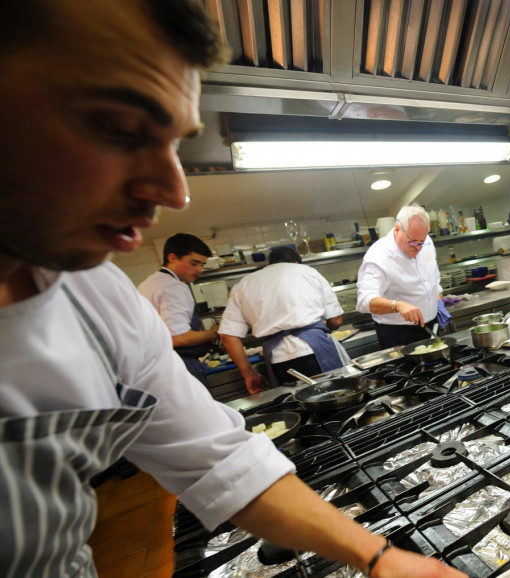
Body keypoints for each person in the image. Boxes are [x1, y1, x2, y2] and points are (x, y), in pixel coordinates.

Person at [0, 1, 465, 577]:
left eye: (176, 143)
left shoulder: (100, 302)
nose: (175, 190)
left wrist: (379, 557)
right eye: (119, 128)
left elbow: (217, 459)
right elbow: (344, 315)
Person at [219, 246, 352, 393]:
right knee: (338, 395)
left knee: (296, 404)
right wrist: (324, 327)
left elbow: (227, 336)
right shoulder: (307, 272)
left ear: (270, 264)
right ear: (296, 263)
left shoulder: (242, 285)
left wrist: (249, 375)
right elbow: (336, 320)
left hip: (278, 359)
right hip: (316, 349)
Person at [137, 232, 220, 386]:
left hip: (155, 367)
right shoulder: (173, 287)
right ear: (172, 257)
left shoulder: (148, 283)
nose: (199, 270)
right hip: (180, 365)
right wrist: (213, 333)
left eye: (202, 264)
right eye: (194, 263)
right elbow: (179, 338)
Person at [357, 205, 444, 349]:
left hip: (431, 327)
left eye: (422, 242)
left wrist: (437, 294)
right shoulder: (378, 255)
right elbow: (364, 301)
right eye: (412, 242)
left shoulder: (425, 240)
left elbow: (433, 274)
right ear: (397, 229)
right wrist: (397, 305)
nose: (418, 247)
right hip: (399, 334)